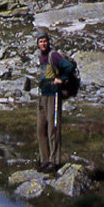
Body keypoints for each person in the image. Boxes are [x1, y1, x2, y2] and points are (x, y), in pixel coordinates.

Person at [35, 31, 74, 173]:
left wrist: (62, 79)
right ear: (37, 44)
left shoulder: (54, 55)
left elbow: (69, 67)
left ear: (48, 42)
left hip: (53, 96)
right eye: (41, 41)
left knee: (53, 129)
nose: (43, 44)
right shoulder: (40, 57)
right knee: (41, 129)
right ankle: (44, 160)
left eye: (45, 41)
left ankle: (54, 161)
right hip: (42, 96)